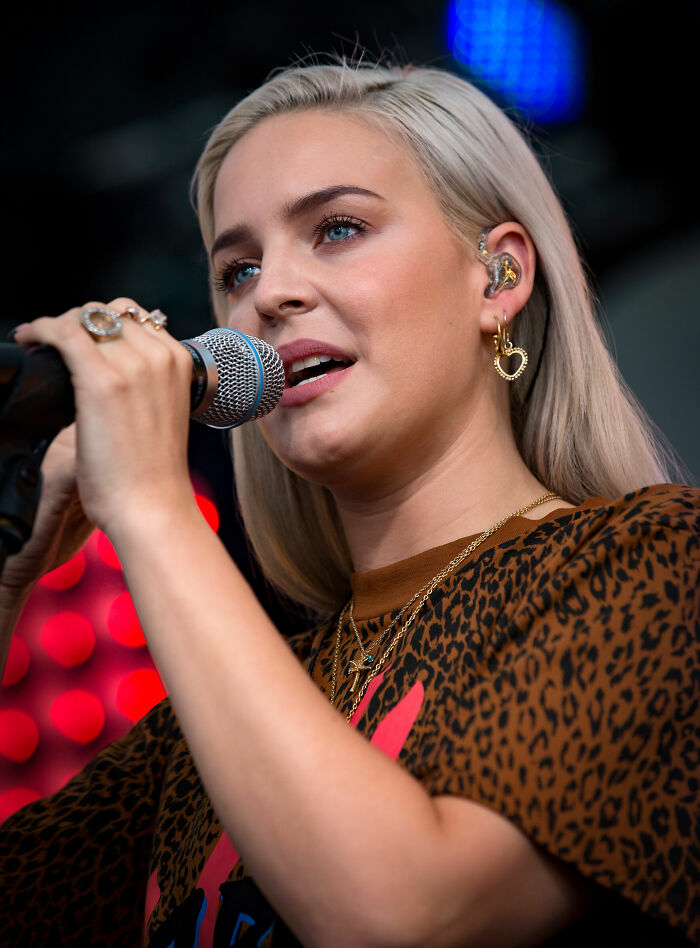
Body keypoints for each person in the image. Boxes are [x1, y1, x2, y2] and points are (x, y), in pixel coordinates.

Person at [0, 60, 697, 948]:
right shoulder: (205, 736)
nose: (270, 295)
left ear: (498, 277)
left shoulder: (657, 565)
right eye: (237, 268)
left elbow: (410, 918)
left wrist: (147, 501)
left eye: (336, 229)